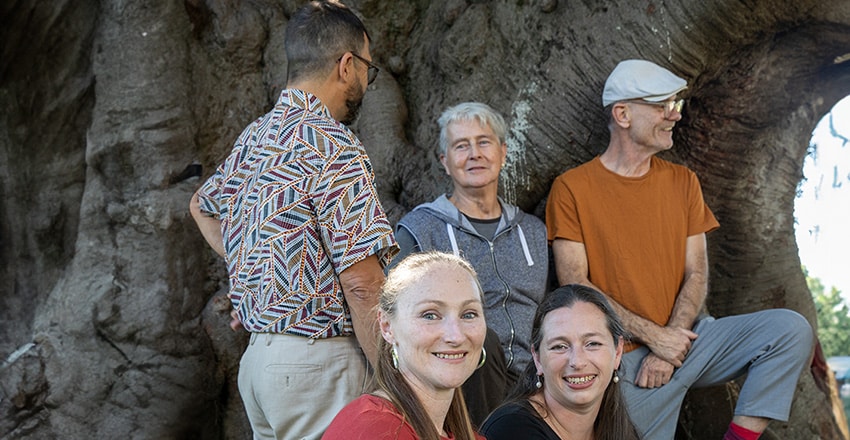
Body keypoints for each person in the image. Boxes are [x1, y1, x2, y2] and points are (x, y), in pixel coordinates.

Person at [545, 59, 814, 440]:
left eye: (675, 104)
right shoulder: (572, 188)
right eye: (661, 106)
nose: (674, 115)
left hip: (692, 341)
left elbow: (697, 272)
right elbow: (576, 283)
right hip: (625, 362)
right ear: (622, 114)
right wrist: (653, 339)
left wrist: (670, 339)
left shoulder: (683, 181)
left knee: (789, 331)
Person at [188, 1, 397, 438]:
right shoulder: (334, 147)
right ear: (346, 65)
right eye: (367, 70)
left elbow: (201, 206)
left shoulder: (254, 137)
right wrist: (395, 380)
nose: (366, 83)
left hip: (260, 368)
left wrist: (258, 274)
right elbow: (362, 284)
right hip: (319, 367)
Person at [393, 102, 549, 423]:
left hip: (535, 380)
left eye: (484, 142)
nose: (474, 153)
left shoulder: (533, 231)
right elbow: (397, 317)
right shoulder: (421, 230)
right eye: (461, 146)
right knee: (482, 336)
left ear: (503, 153)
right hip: (462, 382)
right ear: (445, 162)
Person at [323, 251, 487, 440]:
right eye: (430, 315)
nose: (456, 336)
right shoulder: (375, 430)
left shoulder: (466, 434)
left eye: (468, 314)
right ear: (387, 327)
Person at [480, 284, 641, 440]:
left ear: (618, 352)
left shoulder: (618, 427)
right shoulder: (511, 429)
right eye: (560, 346)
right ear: (537, 358)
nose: (577, 362)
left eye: (592, 344)